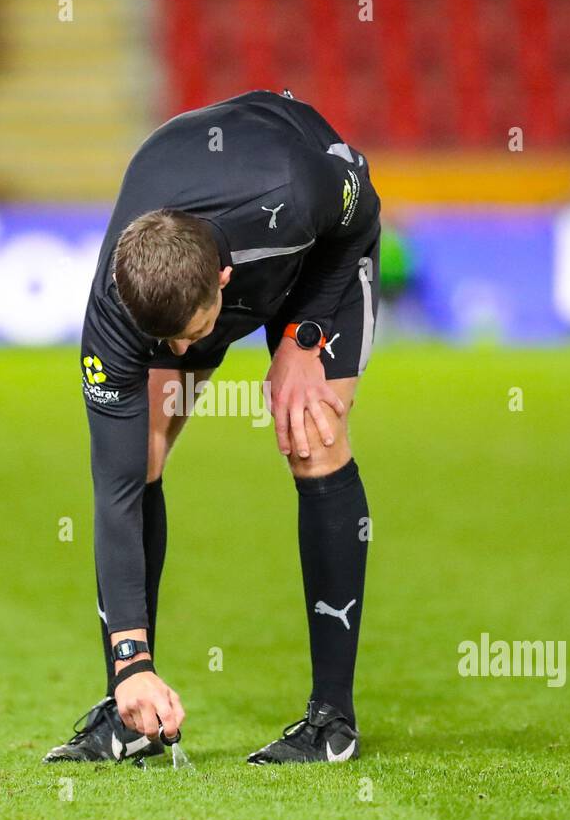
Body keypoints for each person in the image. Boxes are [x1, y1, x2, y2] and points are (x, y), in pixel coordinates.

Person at [44, 89, 379, 765]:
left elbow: (360, 211)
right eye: (160, 342)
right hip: (185, 286)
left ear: (222, 282)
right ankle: (130, 709)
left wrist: (303, 339)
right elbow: (114, 492)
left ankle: (331, 720)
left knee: (310, 436)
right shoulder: (118, 309)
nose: (176, 357)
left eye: (188, 338)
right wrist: (129, 661)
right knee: (140, 459)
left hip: (315, 262)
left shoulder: (296, 186)